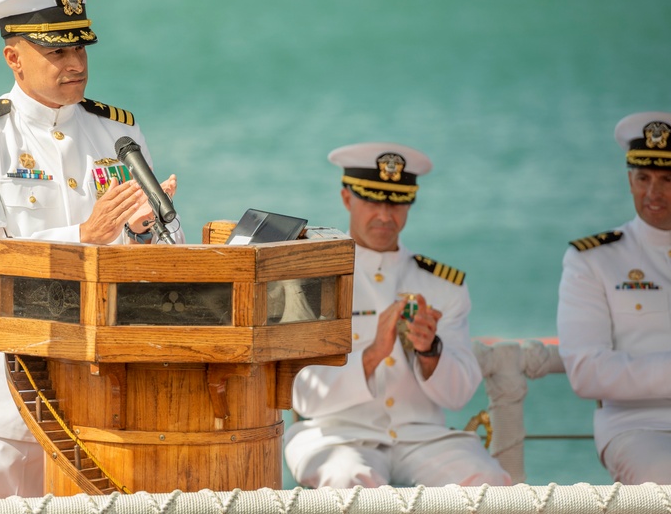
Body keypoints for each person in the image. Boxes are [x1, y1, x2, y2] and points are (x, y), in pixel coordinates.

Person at [0, 0, 180, 499]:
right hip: (10, 388)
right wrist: (84, 236)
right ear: (13, 57)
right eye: (57, 50)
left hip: (106, 386)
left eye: (81, 47)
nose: (76, 63)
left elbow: (155, 258)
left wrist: (139, 234)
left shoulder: (119, 132)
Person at [284, 142, 511, 488]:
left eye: (397, 203)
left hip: (421, 436)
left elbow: (459, 394)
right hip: (337, 433)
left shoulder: (441, 285)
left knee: (489, 483)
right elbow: (299, 392)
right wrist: (372, 355)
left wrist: (429, 351)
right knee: (348, 481)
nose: (386, 216)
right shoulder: (314, 279)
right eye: (372, 199)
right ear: (347, 198)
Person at [557, 110, 671, 485]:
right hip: (637, 427)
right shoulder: (593, 259)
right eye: (643, 178)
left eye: (667, 179)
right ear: (629, 180)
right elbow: (585, 372)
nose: (653, 193)